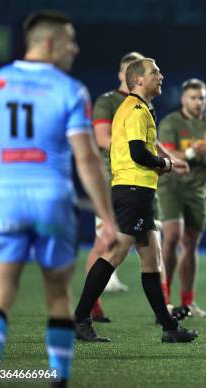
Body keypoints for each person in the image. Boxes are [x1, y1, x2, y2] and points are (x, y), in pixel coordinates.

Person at [0, 10, 118, 387]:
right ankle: (57, 378)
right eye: (70, 40)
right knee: (58, 294)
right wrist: (107, 219)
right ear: (48, 43)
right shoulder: (69, 90)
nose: (74, 48)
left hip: (6, 199)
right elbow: (87, 159)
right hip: (52, 201)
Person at [73, 58, 197, 343]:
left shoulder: (135, 107)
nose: (161, 76)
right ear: (139, 79)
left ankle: (169, 328)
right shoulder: (137, 109)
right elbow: (138, 154)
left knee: (151, 260)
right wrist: (165, 163)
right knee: (114, 255)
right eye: (155, 72)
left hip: (136, 191)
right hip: (132, 191)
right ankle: (80, 319)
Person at [158, 78, 206, 317]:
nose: (198, 102)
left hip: (198, 191)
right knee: (172, 237)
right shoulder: (171, 122)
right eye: (193, 98)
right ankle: (163, 301)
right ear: (183, 100)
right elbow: (166, 153)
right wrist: (192, 151)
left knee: (190, 244)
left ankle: (188, 302)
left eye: (202, 98)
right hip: (171, 188)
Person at [85, 51, 144, 323]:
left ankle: (165, 310)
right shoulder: (108, 102)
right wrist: (140, 151)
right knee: (104, 241)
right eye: (130, 69)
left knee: (147, 245)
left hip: (137, 182)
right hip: (113, 180)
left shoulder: (142, 104)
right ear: (122, 74)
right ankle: (90, 308)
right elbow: (101, 139)